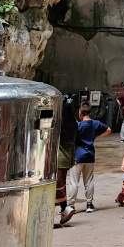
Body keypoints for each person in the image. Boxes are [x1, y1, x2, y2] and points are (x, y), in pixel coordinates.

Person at [68, 103, 111, 213]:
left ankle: (71, 206)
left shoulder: (78, 125)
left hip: (77, 156)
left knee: (73, 182)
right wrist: (96, 137)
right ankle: (89, 204)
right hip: (90, 155)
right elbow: (109, 130)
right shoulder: (96, 123)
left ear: (80, 113)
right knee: (89, 180)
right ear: (89, 112)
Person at [55, 95, 79, 227]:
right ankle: (64, 208)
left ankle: (65, 208)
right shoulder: (73, 124)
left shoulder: (61, 125)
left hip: (60, 158)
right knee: (61, 184)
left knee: (58, 185)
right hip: (68, 158)